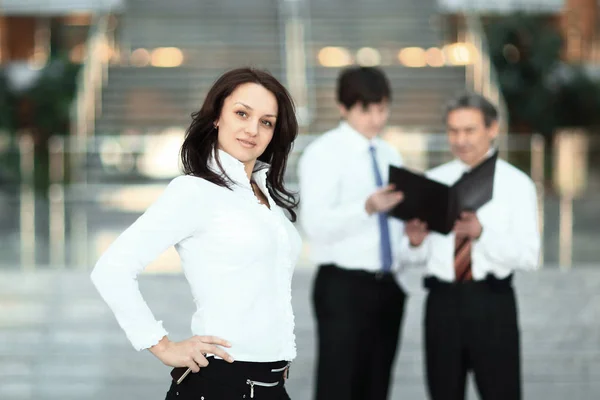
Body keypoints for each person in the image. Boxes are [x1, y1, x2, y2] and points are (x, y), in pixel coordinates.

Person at [91, 67, 301, 400]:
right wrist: (161, 346)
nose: (252, 129)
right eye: (241, 113)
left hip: (273, 384)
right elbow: (112, 269)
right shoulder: (194, 192)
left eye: (266, 122)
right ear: (217, 116)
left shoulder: (265, 197)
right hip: (223, 383)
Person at [403, 93, 540, 400]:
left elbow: (530, 256)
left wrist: (482, 234)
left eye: (469, 130)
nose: (460, 139)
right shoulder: (434, 181)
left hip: (492, 304)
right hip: (441, 304)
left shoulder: (517, 185)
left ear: (492, 129)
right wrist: (415, 243)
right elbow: (422, 255)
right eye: (453, 131)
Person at [298, 66, 407, 400]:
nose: (376, 118)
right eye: (366, 109)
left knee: (376, 387)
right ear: (344, 108)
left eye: (381, 108)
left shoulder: (390, 153)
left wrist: (412, 237)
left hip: (387, 285)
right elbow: (314, 225)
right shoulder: (323, 153)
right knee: (339, 386)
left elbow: (394, 226)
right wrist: (366, 207)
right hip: (343, 287)